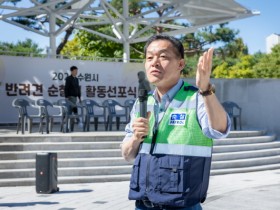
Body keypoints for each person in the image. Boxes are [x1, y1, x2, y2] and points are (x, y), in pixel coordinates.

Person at [121, 34, 231, 210]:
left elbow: (220, 129)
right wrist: (135, 138)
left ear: (180, 64)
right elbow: (127, 155)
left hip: (182, 205)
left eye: (163, 57)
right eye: (149, 57)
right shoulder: (142, 102)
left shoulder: (197, 97)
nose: (154, 62)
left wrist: (205, 90)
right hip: (143, 204)